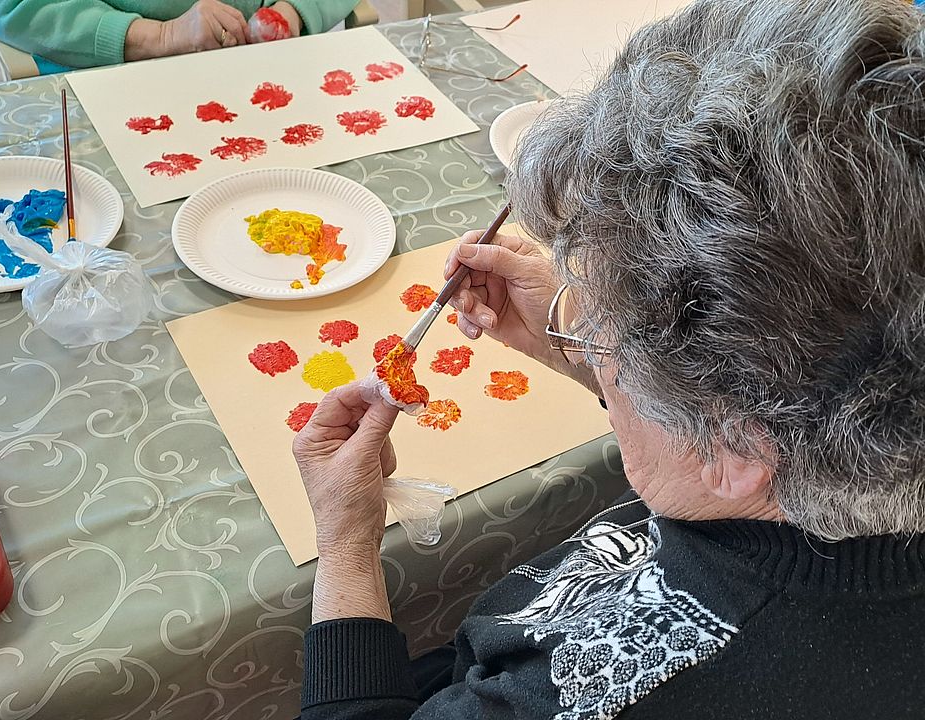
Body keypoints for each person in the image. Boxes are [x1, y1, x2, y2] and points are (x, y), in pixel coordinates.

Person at [292, 0, 925, 717]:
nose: (577, 320)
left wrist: (344, 541)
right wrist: (571, 342)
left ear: (732, 440)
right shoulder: (846, 440)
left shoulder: (595, 685)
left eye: (600, 325)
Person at [0, 0, 358, 72]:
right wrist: (162, 35)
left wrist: (292, 11)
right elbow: (15, 6)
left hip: (272, 67)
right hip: (125, 77)